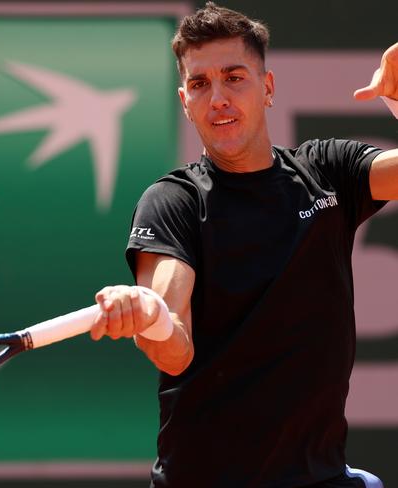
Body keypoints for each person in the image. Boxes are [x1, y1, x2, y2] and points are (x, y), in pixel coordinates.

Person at [89, 3, 398, 487]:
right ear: (185, 101)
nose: (217, 98)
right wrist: (148, 317)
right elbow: (174, 345)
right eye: (199, 84)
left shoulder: (327, 172)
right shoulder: (174, 202)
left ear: (268, 88)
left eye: (234, 77)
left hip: (323, 477)